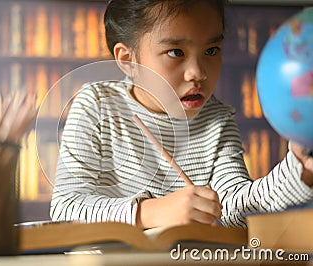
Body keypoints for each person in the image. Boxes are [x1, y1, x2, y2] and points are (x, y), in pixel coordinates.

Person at [50, 0, 313, 229]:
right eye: (176, 52)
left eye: (211, 51)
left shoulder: (217, 120)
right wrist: (153, 211)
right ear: (128, 60)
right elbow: (67, 208)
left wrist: (299, 171)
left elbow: (234, 209)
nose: (198, 73)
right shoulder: (96, 105)